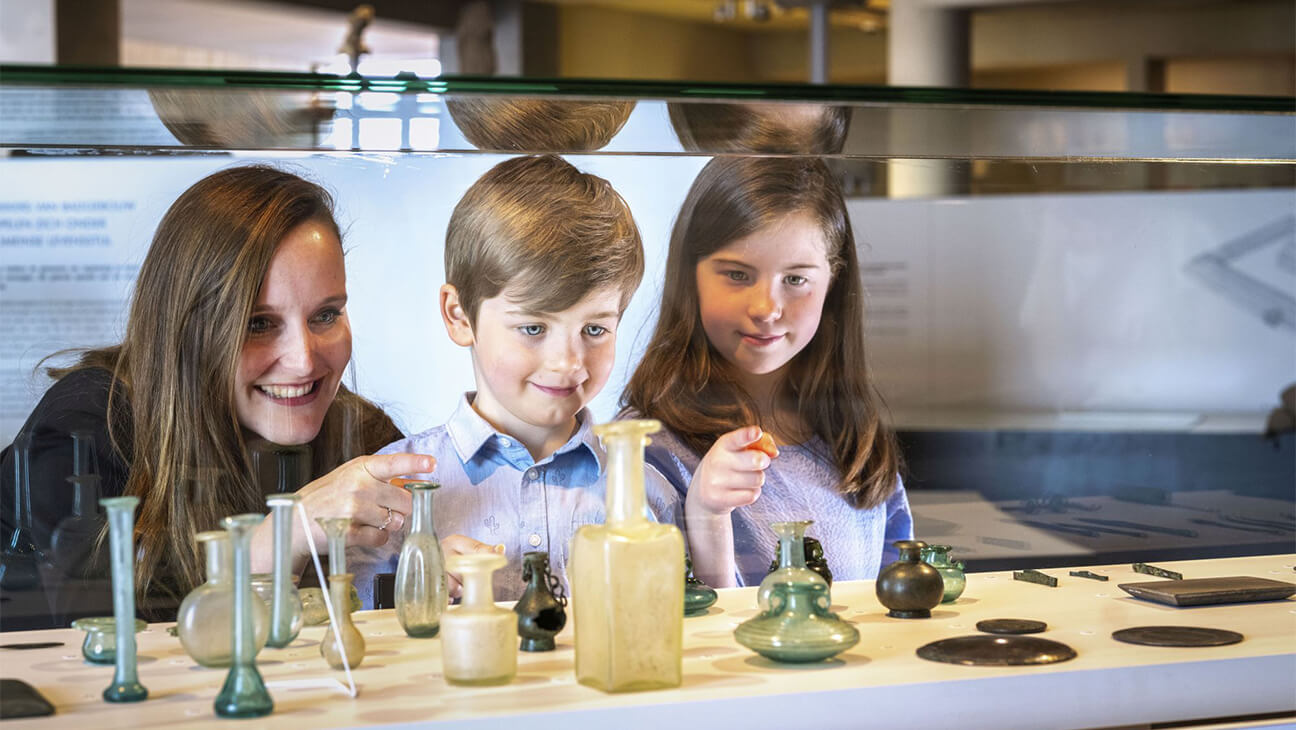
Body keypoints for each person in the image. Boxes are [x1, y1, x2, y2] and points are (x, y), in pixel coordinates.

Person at [0, 165, 432, 628]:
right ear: (184, 328)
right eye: (258, 323)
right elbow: (101, 645)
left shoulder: (362, 432)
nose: (303, 361)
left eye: (325, 315)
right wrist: (285, 535)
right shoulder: (85, 426)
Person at [357, 154, 680, 605]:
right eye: (533, 328)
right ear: (459, 316)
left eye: (594, 330)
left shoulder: (650, 495)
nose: (568, 362)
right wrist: (417, 586)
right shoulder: (389, 491)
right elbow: (355, 625)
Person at [621, 156, 912, 589]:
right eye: (738, 275)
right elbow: (655, 617)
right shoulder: (644, 451)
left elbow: (899, 602)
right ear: (690, 276)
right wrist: (706, 517)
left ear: (833, 281)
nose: (765, 309)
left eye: (795, 280)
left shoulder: (856, 442)